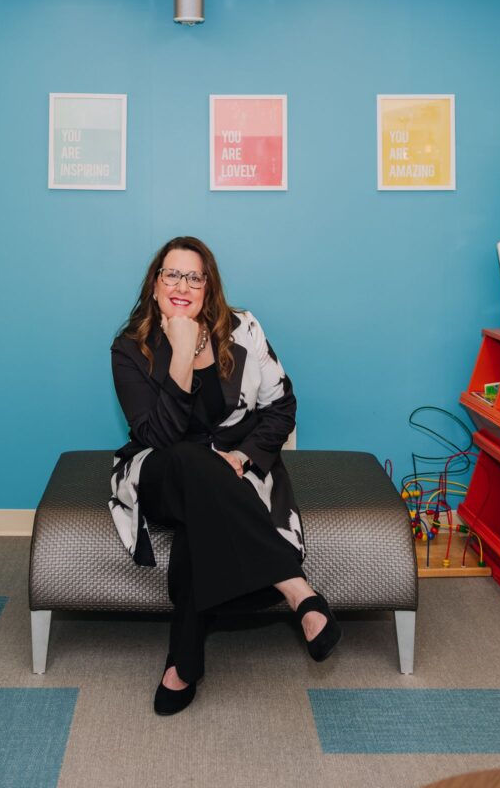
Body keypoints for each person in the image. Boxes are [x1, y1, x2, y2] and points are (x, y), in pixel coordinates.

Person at [109, 235, 341, 716]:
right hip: (159, 470)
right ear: (155, 286)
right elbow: (158, 435)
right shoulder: (128, 348)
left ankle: (184, 661)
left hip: (233, 472)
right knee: (194, 461)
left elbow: (281, 406)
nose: (182, 285)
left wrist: (249, 455)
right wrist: (178, 350)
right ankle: (296, 587)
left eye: (194, 277)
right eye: (171, 274)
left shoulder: (243, 329)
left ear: (208, 287)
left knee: (204, 511)